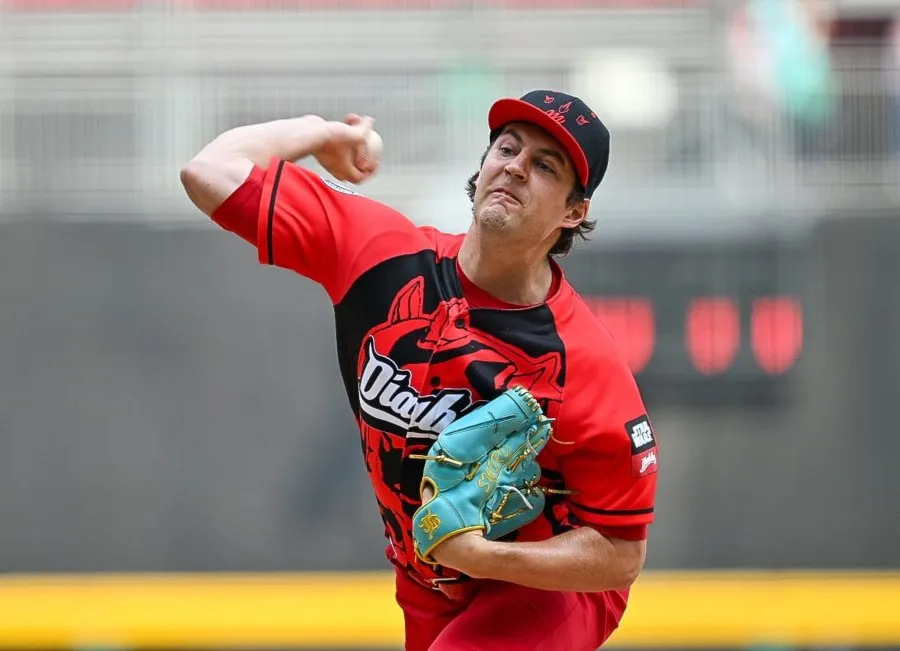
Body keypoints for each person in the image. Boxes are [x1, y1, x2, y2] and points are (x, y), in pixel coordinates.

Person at [180, 89, 659, 651]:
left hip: (545, 590)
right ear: (482, 167)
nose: (515, 168)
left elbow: (620, 554)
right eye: (506, 148)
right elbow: (208, 171)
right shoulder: (382, 257)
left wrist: (484, 555)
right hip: (429, 585)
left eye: (545, 165)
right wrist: (322, 133)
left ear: (574, 212)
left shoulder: (582, 361)